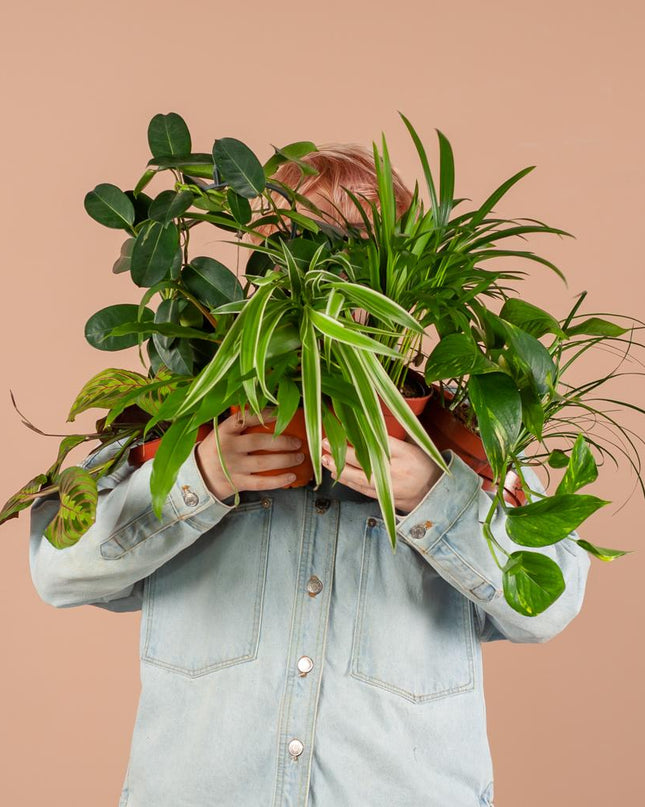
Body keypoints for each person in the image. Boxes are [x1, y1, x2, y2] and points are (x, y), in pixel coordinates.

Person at [29, 144, 591, 807]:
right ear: (263, 266)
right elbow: (56, 570)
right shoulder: (184, 410)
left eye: (359, 246)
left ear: (406, 276)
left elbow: (548, 606)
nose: (328, 272)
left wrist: (431, 494)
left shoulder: (464, 436)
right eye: (300, 240)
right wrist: (200, 477)